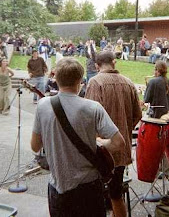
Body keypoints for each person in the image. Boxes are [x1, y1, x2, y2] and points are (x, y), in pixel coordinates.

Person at [30, 57, 125, 217]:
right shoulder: (92, 108)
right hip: (88, 189)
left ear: (56, 79)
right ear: (81, 80)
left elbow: (35, 146)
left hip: (57, 189)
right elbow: (119, 143)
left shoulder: (43, 105)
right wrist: (99, 144)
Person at [85, 51, 142, 217]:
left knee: (95, 194)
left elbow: (89, 117)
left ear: (96, 65)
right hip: (122, 148)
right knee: (116, 192)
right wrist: (124, 128)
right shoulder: (129, 83)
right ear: (114, 62)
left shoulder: (95, 83)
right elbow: (138, 114)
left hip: (102, 150)